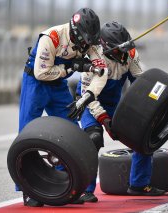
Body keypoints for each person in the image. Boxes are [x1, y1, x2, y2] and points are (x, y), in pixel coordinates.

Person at [68, 21, 165, 203]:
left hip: (114, 102)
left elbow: (140, 80)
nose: (123, 53)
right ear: (105, 47)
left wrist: (148, 108)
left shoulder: (130, 53)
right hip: (90, 101)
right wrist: (105, 120)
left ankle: (138, 185)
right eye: (118, 50)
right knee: (93, 140)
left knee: (141, 134)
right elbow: (89, 97)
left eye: (125, 49)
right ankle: (84, 190)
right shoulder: (92, 59)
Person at [18, 8, 105, 207]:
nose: (87, 45)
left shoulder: (90, 42)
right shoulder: (52, 37)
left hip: (58, 87)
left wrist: (88, 95)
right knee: (26, 134)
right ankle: (28, 189)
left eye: (90, 41)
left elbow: (102, 71)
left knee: (72, 132)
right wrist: (71, 67)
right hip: (36, 83)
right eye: (84, 40)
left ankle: (67, 183)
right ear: (74, 31)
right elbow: (41, 73)